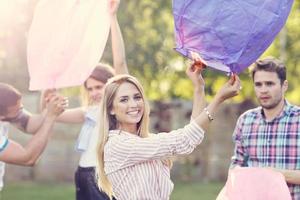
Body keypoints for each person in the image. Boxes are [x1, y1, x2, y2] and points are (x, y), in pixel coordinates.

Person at [95, 61, 241, 200]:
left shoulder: (146, 141)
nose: (133, 104)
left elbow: (192, 135)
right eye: (124, 100)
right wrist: (218, 100)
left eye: (137, 97)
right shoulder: (118, 144)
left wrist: (199, 87)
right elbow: (185, 139)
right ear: (111, 109)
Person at [40, 0, 128, 199]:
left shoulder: (116, 108)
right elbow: (49, 114)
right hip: (82, 174)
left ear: (111, 84)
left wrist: (112, 18)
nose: (95, 92)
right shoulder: (89, 111)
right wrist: (48, 81)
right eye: (90, 88)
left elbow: (120, 63)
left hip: (103, 176)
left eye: (99, 86)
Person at [230, 57, 300, 199]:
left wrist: (273, 173)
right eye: (258, 84)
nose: (263, 90)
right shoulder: (245, 121)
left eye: (269, 84)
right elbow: (235, 170)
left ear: (284, 85)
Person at [0, 83, 66, 190]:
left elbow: (31, 125)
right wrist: (51, 117)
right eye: (17, 110)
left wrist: (48, 103)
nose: (21, 107)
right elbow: (28, 158)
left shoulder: (6, 113)